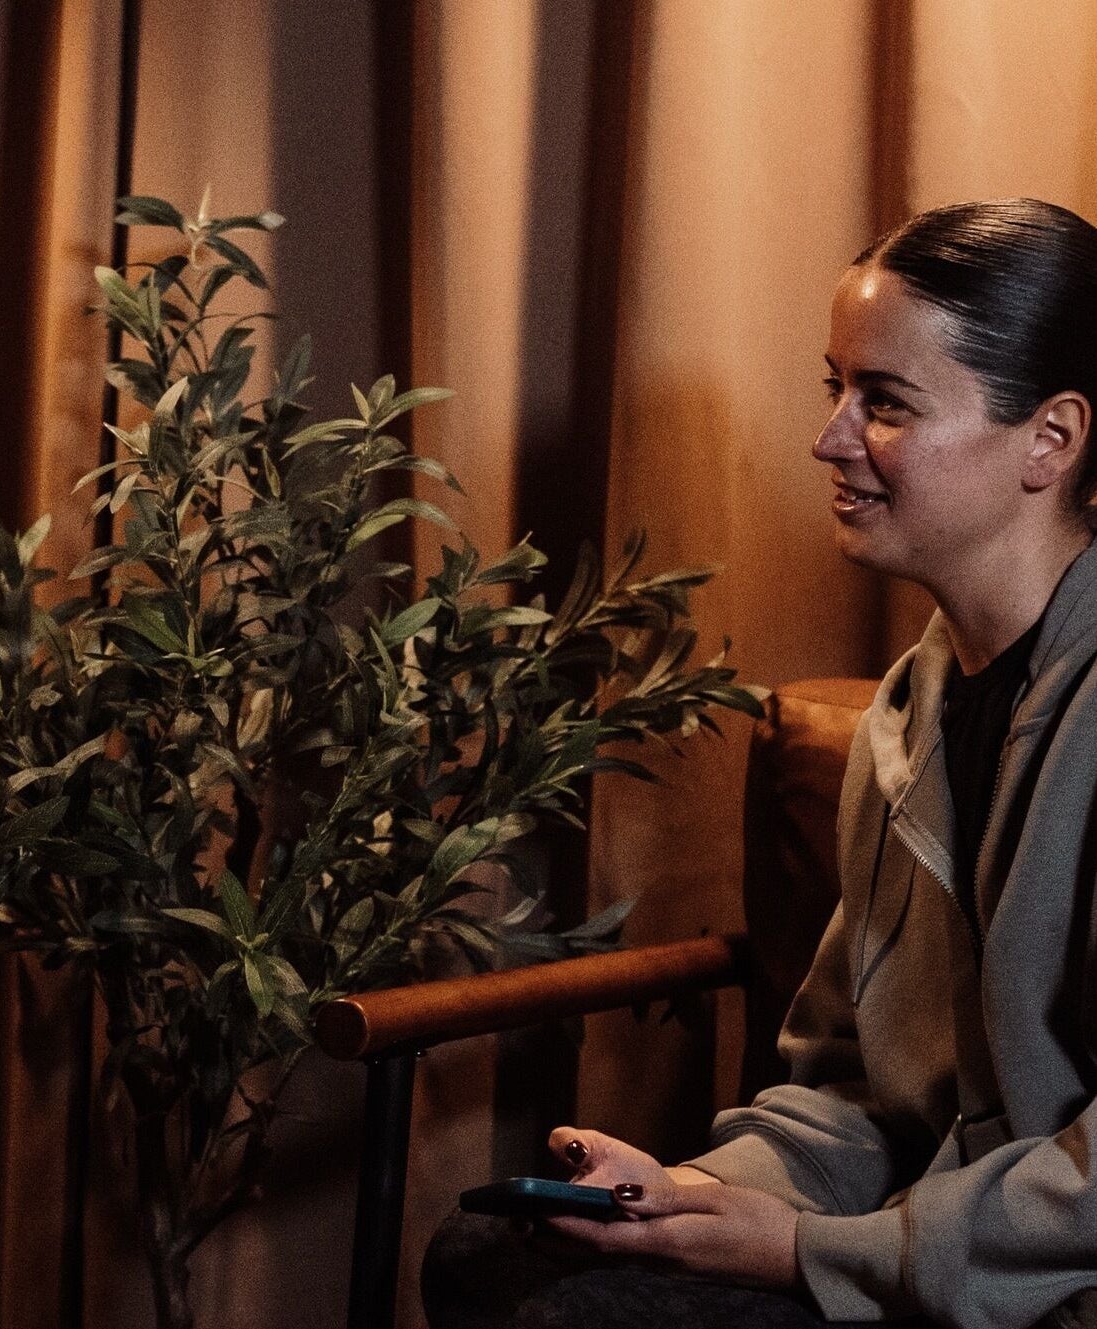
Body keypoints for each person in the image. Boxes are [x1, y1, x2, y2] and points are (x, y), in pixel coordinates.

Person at [424, 197, 1097, 1329]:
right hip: (913, 1245)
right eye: (835, 389)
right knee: (487, 1252)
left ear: (1051, 437)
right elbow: (848, 1083)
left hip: (1050, 1288)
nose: (831, 438)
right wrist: (689, 1195)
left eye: (885, 402)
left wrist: (803, 1250)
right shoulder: (910, 713)